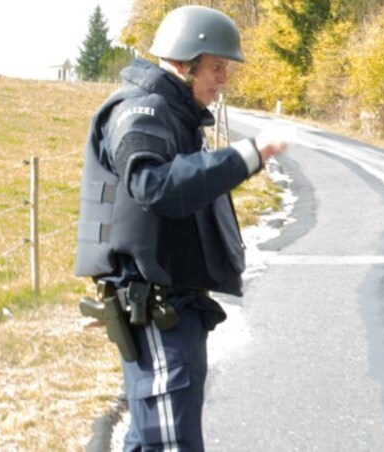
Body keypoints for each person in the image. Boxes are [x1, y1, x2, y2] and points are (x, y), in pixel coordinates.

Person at [74, 6, 287, 450]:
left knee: (151, 438)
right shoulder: (142, 112)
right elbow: (154, 185)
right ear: (182, 62)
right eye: (216, 66)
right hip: (156, 307)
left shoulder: (171, 114)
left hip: (171, 306)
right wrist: (248, 156)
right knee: (168, 442)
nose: (223, 78)